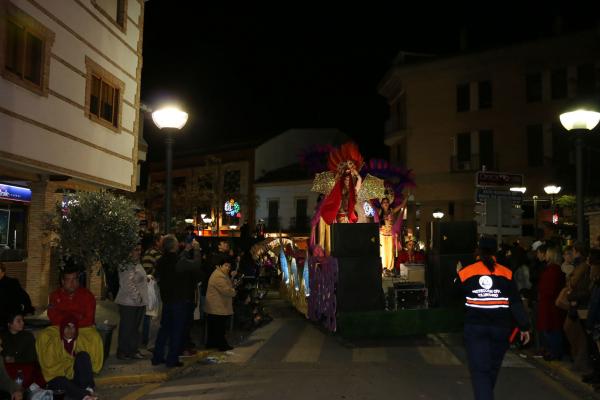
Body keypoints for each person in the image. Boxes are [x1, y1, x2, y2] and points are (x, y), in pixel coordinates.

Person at [457, 237, 530, 400]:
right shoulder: (506, 272)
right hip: (500, 329)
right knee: (492, 369)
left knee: (480, 371)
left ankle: (484, 395)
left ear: (479, 249)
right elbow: (515, 302)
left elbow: (454, 294)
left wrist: (458, 275)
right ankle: (485, 394)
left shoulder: (467, 271)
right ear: (495, 250)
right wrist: (524, 326)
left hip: (475, 328)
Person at [36, 316, 99, 400]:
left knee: (83, 355)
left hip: (72, 376)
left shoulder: (79, 341)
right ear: (62, 328)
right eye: (67, 327)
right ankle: (85, 396)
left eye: (73, 328)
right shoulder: (54, 342)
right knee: (62, 381)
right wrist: (67, 365)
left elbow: (85, 365)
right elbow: (49, 366)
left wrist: (72, 365)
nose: (70, 331)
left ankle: (87, 389)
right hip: (57, 377)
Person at [152, 235, 188, 367]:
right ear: (173, 246)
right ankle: (172, 359)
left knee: (164, 329)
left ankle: (157, 356)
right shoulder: (179, 260)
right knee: (176, 330)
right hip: (178, 299)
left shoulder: (160, 261)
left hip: (166, 299)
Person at [115, 244, 148, 360]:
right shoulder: (126, 264)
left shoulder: (136, 263)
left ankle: (133, 350)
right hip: (129, 302)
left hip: (138, 302)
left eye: (140, 249)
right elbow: (127, 284)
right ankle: (123, 351)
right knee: (127, 328)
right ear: (129, 252)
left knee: (134, 328)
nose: (139, 252)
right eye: (136, 250)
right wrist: (138, 298)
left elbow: (138, 278)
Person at [536, 247, 566, 360]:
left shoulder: (552, 271)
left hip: (549, 304)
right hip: (550, 304)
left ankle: (555, 352)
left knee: (552, 329)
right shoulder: (554, 270)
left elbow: (549, 289)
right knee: (552, 329)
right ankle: (554, 351)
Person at [1, 313, 44, 389]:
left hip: (25, 367)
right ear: (10, 324)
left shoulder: (27, 336)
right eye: (18, 321)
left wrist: (15, 359)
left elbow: (32, 357)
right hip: (8, 368)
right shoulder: (3, 337)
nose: (22, 323)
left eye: (22, 320)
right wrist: (5, 358)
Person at [204, 255, 237, 351]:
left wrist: (232, 277)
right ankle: (222, 345)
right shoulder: (219, 276)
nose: (228, 268)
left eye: (229, 266)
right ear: (220, 265)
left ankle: (212, 344)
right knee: (219, 328)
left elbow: (228, 286)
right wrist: (234, 292)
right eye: (226, 266)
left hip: (216, 306)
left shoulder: (221, 274)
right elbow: (226, 290)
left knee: (214, 327)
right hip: (217, 306)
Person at [375, 196, 406, 275]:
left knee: (390, 253)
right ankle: (383, 269)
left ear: (389, 204)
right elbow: (372, 207)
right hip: (382, 235)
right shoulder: (379, 211)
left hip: (390, 236)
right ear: (381, 204)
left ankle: (390, 269)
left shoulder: (392, 211)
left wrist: (407, 197)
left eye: (387, 202)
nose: (385, 204)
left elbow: (402, 206)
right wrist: (368, 199)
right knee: (383, 253)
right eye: (384, 202)